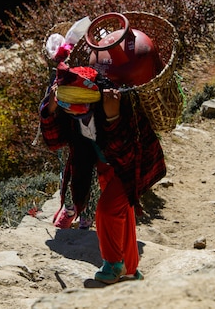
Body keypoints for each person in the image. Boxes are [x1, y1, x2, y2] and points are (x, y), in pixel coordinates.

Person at [39, 61, 167, 284]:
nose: (69, 108)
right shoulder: (69, 114)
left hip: (131, 165)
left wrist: (112, 118)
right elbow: (53, 141)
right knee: (123, 216)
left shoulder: (117, 105)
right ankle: (130, 269)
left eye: (73, 103)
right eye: (65, 103)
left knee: (107, 212)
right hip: (105, 165)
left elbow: (126, 152)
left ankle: (113, 262)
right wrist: (50, 110)